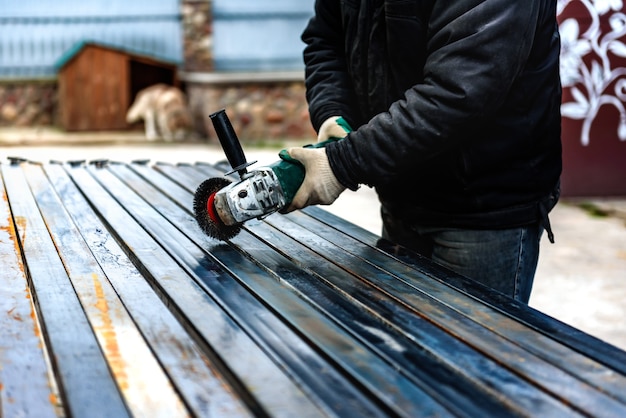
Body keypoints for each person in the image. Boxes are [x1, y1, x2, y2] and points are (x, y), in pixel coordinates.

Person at [284, 0, 562, 303]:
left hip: (483, 211)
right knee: (400, 342)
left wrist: (343, 163)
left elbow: (458, 92)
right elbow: (326, 40)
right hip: (401, 195)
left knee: (468, 347)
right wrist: (332, 111)